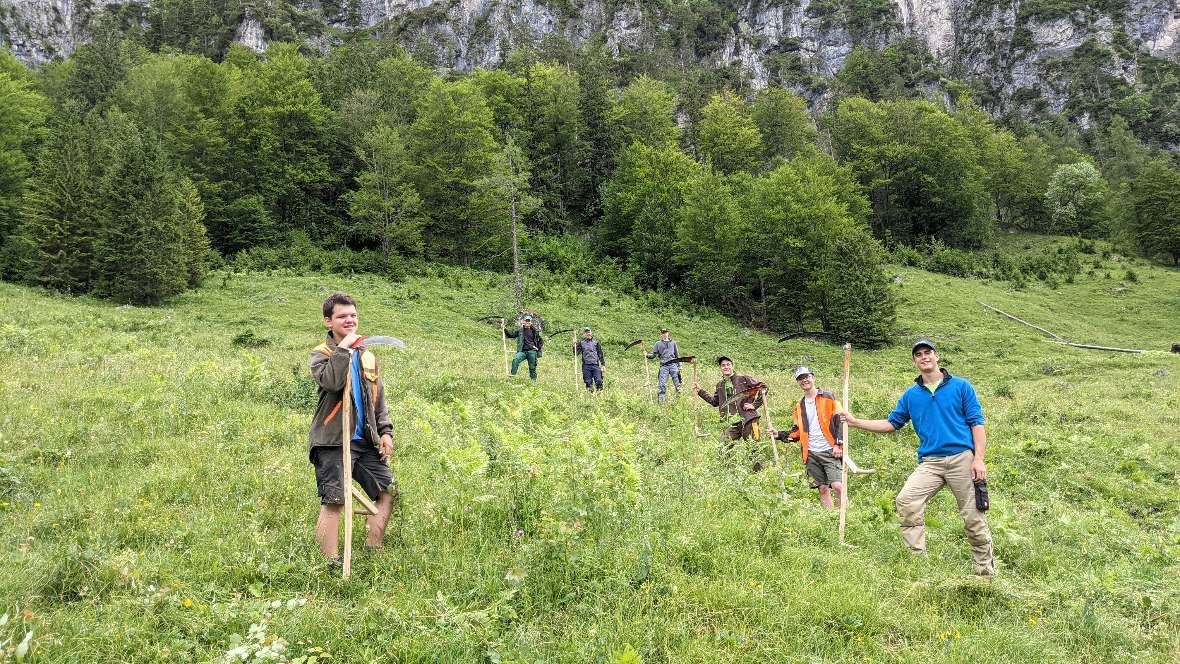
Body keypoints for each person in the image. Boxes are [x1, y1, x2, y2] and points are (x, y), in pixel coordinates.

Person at [842, 338, 994, 577]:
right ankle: (918, 565)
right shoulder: (911, 395)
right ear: (914, 361)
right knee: (906, 500)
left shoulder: (961, 387)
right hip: (931, 462)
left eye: (928, 352)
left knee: (973, 515)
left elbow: (977, 424)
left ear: (937, 356)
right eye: (918, 355)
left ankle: (984, 573)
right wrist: (855, 422)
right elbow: (891, 423)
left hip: (962, 458)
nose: (924, 357)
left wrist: (978, 459)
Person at [308, 292, 397, 566]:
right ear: (328, 321)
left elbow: (377, 399)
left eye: (353, 315)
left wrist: (385, 431)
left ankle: (373, 547)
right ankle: (330, 562)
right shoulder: (321, 354)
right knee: (335, 499)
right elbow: (332, 383)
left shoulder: (368, 357)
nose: (349, 320)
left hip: (364, 440)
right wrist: (343, 349)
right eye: (342, 316)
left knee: (387, 490)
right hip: (333, 440)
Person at [769, 366, 845, 509]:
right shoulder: (799, 406)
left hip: (830, 449)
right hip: (810, 453)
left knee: (838, 486)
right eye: (800, 378)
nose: (804, 380)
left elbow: (841, 420)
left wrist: (838, 444)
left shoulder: (828, 397)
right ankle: (830, 519)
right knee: (822, 489)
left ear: (813, 377)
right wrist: (779, 434)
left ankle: (846, 517)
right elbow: (797, 431)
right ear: (798, 382)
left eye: (806, 377)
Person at [694, 357, 766, 468]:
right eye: (723, 365)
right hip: (731, 423)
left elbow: (763, 387)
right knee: (723, 446)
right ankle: (728, 473)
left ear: (732, 366)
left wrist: (754, 405)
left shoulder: (743, 379)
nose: (726, 367)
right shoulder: (720, 385)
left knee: (753, 449)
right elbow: (715, 402)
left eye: (728, 364)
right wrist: (700, 391)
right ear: (720, 368)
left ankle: (760, 475)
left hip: (748, 420)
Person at [502, 315, 544, 381]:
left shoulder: (535, 331)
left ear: (531, 322)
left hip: (532, 352)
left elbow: (541, 341)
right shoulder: (520, 331)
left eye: (528, 321)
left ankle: (533, 381)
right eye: (526, 321)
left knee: (532, 367)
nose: (527, 322)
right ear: (523, 322)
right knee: (515, 360)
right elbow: (511, 335)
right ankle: (512, 377)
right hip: (522, 351)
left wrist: (537, 348)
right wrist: (504, 329)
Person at [646, 327, 682, 403]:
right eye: (663, 333)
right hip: (664, 366)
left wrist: (680, 366)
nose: (664, 334)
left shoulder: (673, 343)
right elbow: (653, 355)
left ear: (668, 333)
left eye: (665, 332)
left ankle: (679, 401)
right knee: (662, 384)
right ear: (661, 334)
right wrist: (647, 355)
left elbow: (677, 355)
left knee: (678, 384)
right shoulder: (658, 344)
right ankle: (661, 402)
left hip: (673, 365)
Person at [575, 327, 606, 391]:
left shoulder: (596, 342)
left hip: (595, 365)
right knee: (588, 383)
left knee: (599, 381)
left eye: (589, 332)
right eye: (586, 333)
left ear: (591, 333)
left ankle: (599, 394)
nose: (588, 334)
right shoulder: (581, 343)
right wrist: (574, 345)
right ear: (584, 334)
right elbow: (576, 353)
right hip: (586, 366)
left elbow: (600, 353)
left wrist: (603, 365)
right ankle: (591, 396)